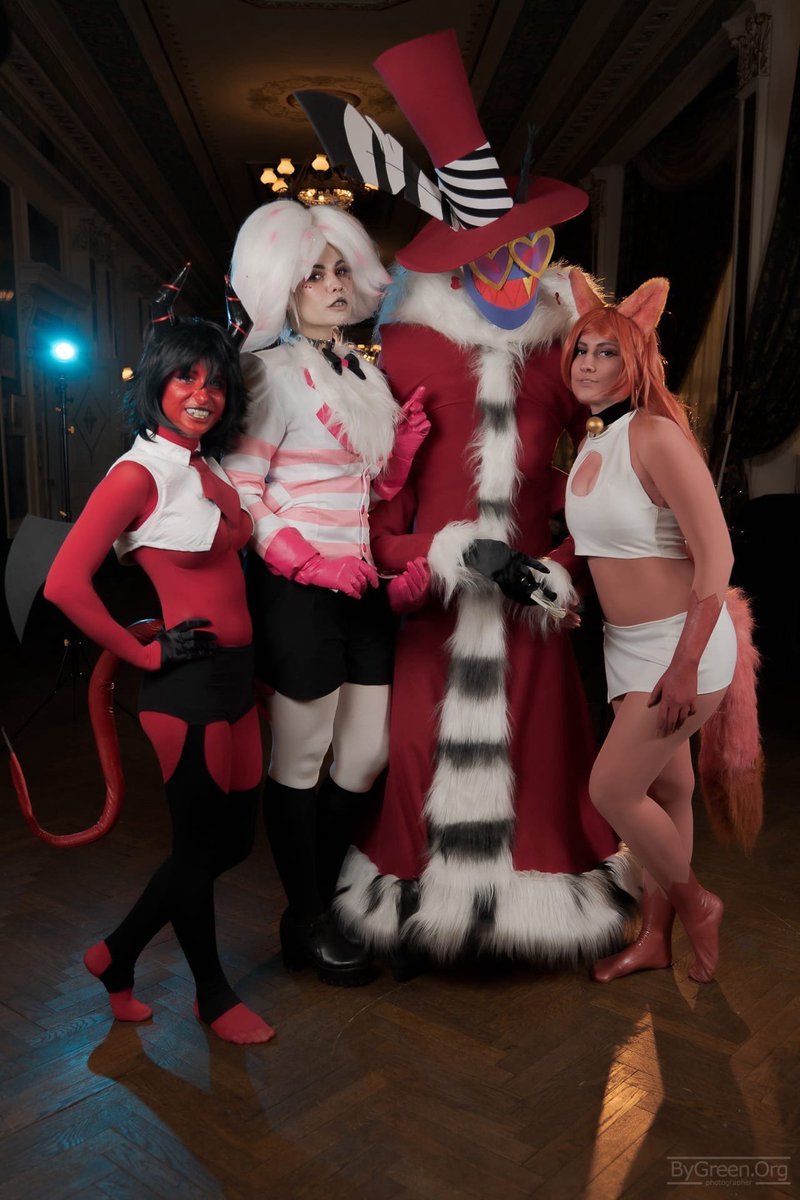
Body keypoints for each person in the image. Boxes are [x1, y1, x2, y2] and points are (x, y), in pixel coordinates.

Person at [296, 29, 639, 965]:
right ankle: (416, 909)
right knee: (412, 760)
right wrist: (443, 552)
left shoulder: (566, 355)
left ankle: (537, 908)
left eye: (527, 247)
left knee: (539, 765)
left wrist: (557, 568)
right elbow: (370, 511)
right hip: (432, 610)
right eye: (489, 248)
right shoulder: (402, 351)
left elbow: (596, 485)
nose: (511, 265)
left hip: (530, 614)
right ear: (453, 256)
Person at [44, 305, 275, 1044]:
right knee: (199, 851)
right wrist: (144, 654)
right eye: (185, 377)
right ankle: (212, 995)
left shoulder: (205, 463)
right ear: (157, 384)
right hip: (186, 687)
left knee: (232, 844)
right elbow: (64, 583)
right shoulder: (136, 474)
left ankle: (115, 954)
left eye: (214, 382)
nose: (201, 393)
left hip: (236, 680)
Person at [223, 199, 430, 986]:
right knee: (303, 758)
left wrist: (402, 453)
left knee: (367, 755)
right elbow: (241, 495)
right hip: (297, 589)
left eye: (342, 269)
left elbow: (371, 490)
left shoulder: (366, 373)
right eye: (315, 274)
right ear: (283, 286)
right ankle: (308, 915)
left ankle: (324, 898)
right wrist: (308, 564)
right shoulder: (265, 373)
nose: (335, 285)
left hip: (362, 586)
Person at [562, 270, 738, 983]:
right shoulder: (594, 440)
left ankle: (697, 904)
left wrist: (686, 664)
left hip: (682, 646)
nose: (588, 364)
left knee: (612, 790)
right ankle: (655, 938)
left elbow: (716, 556)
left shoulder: (656, 434)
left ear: (635, 361)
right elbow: (612, 550)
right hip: (626, 647)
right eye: (581, 350)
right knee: (667, 792)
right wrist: (577, 596)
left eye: (606, 352)